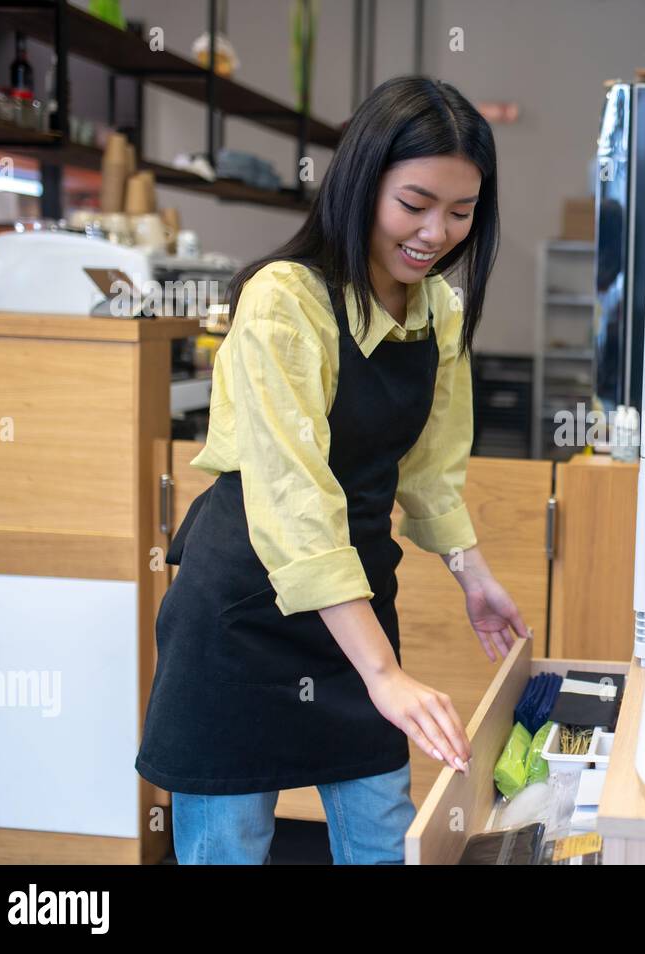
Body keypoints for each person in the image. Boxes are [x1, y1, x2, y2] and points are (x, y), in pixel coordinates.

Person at [136, 76, 530, 864]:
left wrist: (470, 570)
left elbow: (427, 470)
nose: (436, 233)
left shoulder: (437, 311)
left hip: (351, 606)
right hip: (240, 615)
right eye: (414, 204)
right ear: (360, 183)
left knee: (384, 833)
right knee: (231, 845)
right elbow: (295, 504)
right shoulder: (285, 301)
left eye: (461, 212)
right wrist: (383, 674)